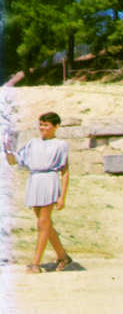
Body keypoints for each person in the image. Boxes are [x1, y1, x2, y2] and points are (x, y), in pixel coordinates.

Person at [3, 112, 73, 273]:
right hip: (34, 181)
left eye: (46, 125)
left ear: (56, 126)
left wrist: (62, 197)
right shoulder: (32, 143)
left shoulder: (60, 145)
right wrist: (7, 150)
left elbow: (65, 171)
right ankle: (63, 257)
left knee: (43, 222)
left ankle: (35, 263)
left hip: (49, 181)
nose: (42, 128)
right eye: (41, 124)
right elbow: (14, 161)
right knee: (45, 224)